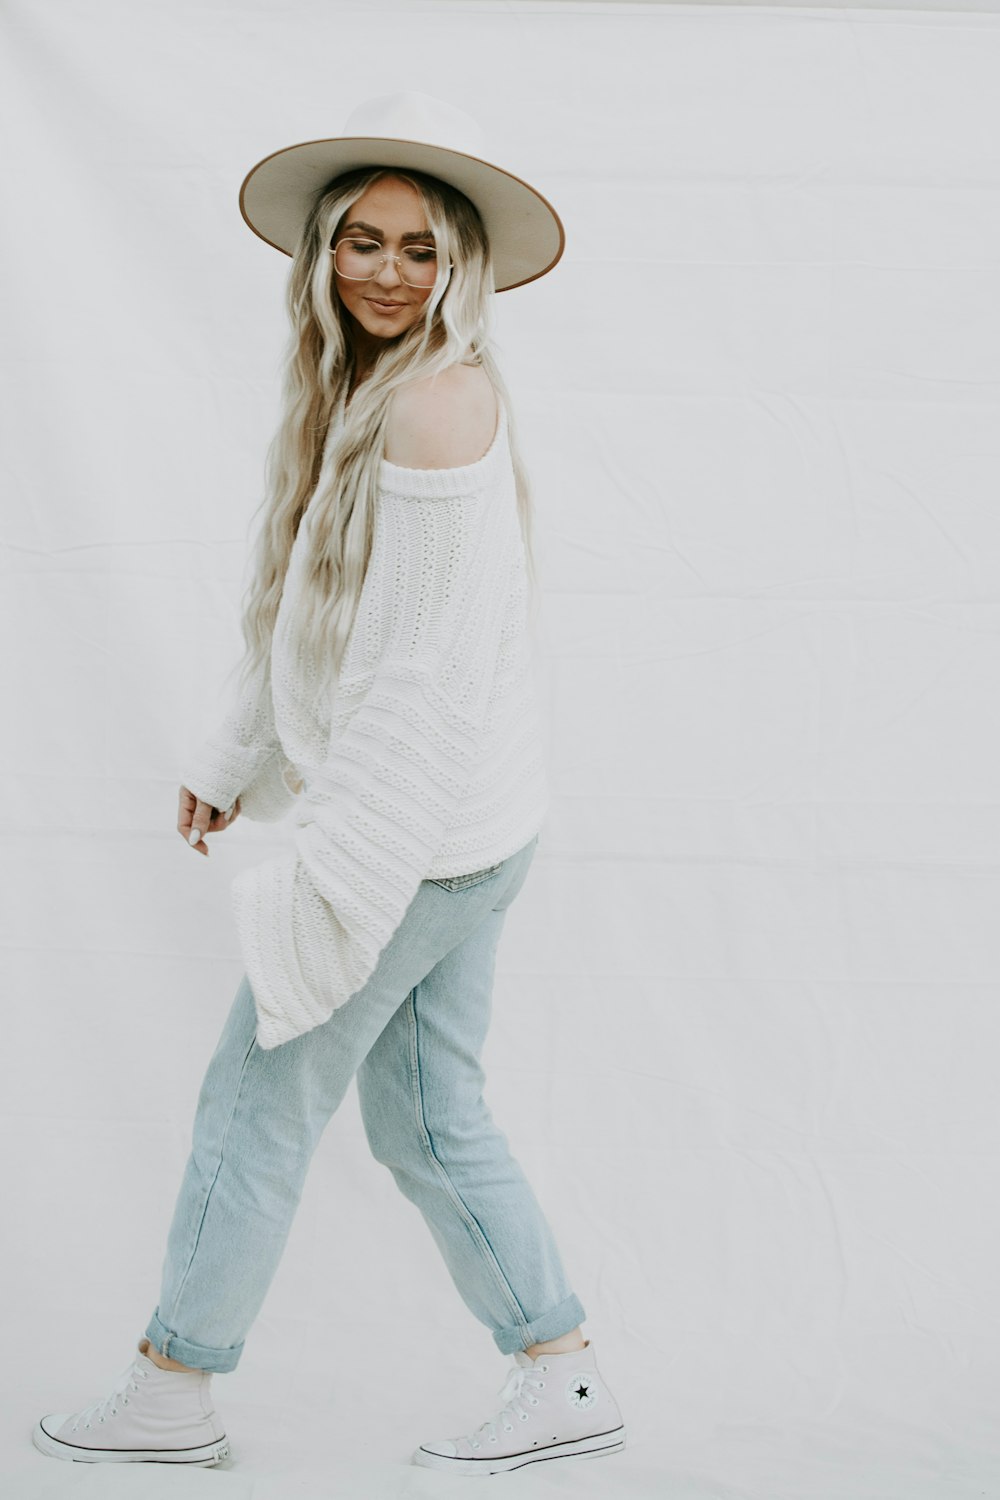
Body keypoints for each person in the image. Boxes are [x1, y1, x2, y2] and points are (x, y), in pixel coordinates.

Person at [32, 92, 626, 1477]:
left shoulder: (433, 402)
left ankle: (171, 1390)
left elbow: (414, 696)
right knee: (428, 1117)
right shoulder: (355, 388)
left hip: (420, 840)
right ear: (322, 256)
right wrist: (237, 754)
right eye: (361, 241)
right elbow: (300, 588)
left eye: (421, 250)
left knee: (255, 1100)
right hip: (479, 830)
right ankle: (567, 1375)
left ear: (462, 269)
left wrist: (329, 894)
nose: (386, 271)